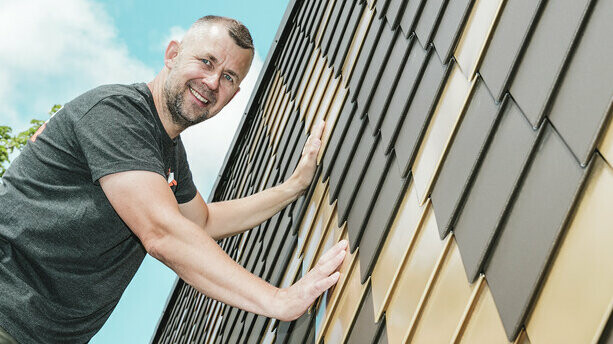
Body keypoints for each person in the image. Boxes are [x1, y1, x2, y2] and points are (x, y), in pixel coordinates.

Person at [0, 15, 347, 343]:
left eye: (228, 77)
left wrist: (294, 187)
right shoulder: (116, 114)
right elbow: (162, 232)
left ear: (234, 95)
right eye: (207, 62)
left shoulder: (167, 155)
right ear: (172, 55)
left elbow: (204, 221)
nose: (212, 83)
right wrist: (279, 301)